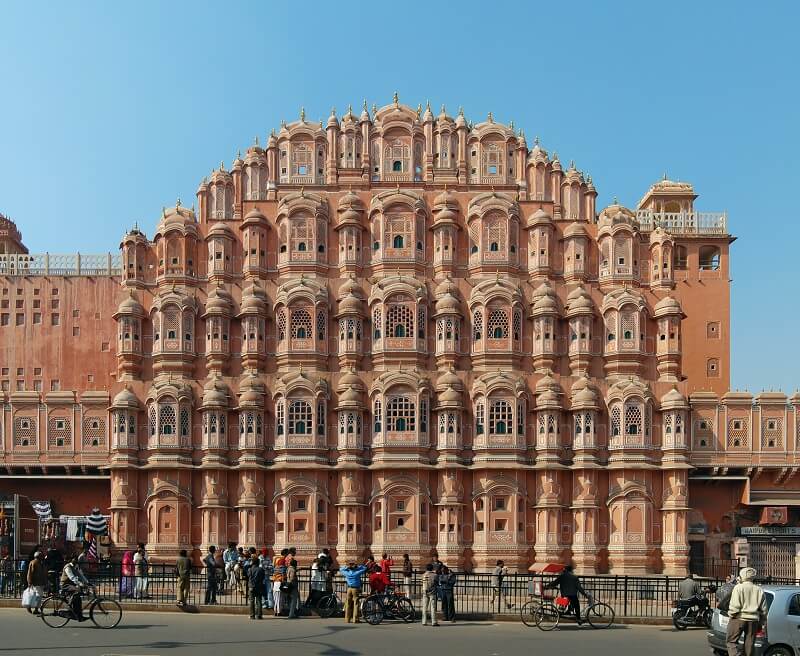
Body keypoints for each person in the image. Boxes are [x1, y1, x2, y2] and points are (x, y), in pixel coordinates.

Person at [726, 567, 767, 656]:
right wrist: (762, 621)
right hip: (753, 620)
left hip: (738, 618)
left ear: (742, 575)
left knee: (731, 642)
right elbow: (764, 610)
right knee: (749, 644)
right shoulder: (759, 589)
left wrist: (731, 614)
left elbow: (735, 606)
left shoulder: (738, 587)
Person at [60, 554, 91, 621]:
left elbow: (81, 575)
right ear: (71, 559)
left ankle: (79, 615)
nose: (76, 560)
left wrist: (87, 582)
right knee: (77, 590)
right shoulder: (67, 567)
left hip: (72, 584)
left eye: (76, 559)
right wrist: (80, 584)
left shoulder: (76, 566)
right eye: (75, 559)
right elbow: (72, 577)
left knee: (78, 598)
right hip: (65, 585)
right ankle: (69, 606)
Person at [248, 554, 266, 619]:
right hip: (259, 586)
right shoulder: (261, 569)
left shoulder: (250, 569)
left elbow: (249, 577)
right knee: (259, 601)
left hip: (251, 587)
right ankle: (259, 615)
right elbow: (263, 577)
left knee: (252, 601)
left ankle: (252, 615)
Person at [272, 548, 289, 615]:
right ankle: (279, 611)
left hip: (275, 582)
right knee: (279, 598)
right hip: (279, 582)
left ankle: (275, 610)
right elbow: (283, 574)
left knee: (276, 598)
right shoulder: (282, 567)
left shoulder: (276, 566)